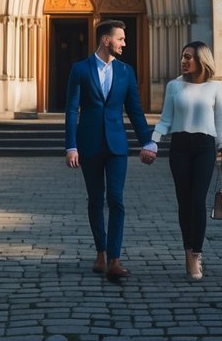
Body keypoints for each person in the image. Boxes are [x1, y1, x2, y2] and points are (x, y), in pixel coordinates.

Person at [65, 18, 154, 281]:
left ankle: (115, 259)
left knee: (116, 199)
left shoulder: (127, 71)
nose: (124, 43)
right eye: (120, 39)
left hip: (117, 145)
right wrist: (71, 146)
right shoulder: (79, 70)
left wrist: (147, 141)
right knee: (95, 199)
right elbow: (71, 110)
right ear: (106, 40)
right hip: (89, 143)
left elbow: (135, 110)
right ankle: (101, 252)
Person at [141, 41, 222, 281]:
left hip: (205, 148)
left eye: (189, 57)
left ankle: (196, 254)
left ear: (202, 60)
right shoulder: (174, 86)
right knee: (184, 201)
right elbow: (165, 119)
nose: (184, 60)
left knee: (198, 201)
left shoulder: (214, 88)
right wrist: (153, 142)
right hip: (179, 147)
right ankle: (188, 250)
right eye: (183, 56)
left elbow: (220, 119)